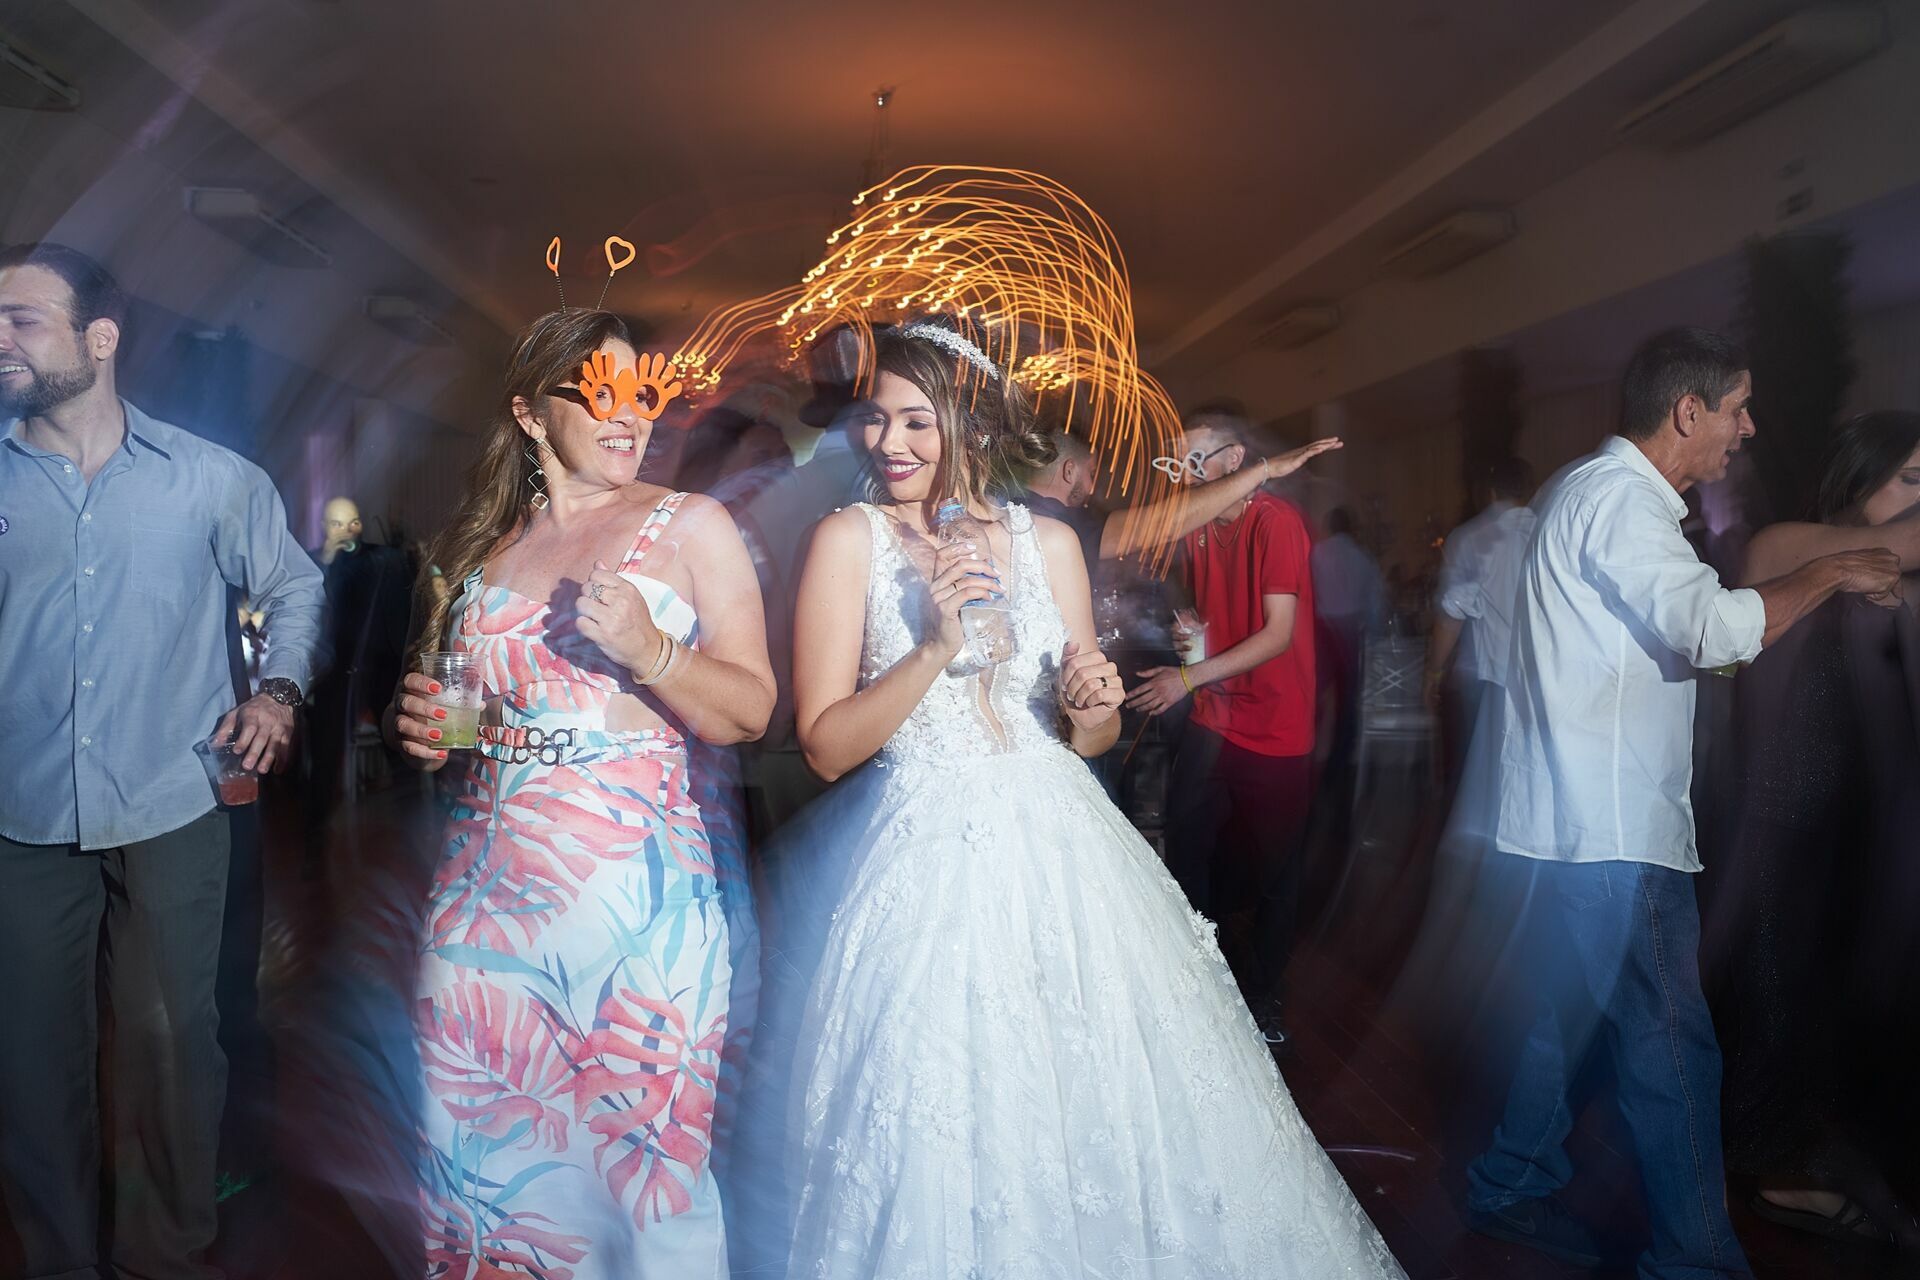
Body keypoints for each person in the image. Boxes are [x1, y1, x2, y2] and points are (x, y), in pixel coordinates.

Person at [768, 320, 1404, 1278]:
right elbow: (823, 746)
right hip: (922, 860)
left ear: (971, 424)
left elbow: (1090, 733)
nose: (888, 444)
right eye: (874, 420)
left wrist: (1093, 702)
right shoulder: (845, 541)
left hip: (1064, 843)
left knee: (1100, 1095)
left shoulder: (1049, 541)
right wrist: (936, 645)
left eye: (916, 421)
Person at [1465, 327, 1901, 1279]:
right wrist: (1828, 571)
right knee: (1673, 1051)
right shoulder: (1623, 503)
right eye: (1738, 408)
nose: (1748, 428)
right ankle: (1697, 1260)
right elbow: (1711, 630)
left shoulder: (1582, 490)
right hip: (1613, 832)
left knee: (1559, 1021)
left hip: (1560, 825)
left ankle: (1510, 1177)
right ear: (1688, 411)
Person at [385, 308, 774, 1278]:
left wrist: (652, 650)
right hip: (484, 908)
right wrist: (432, 732)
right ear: (528, 413)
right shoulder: (481, 547)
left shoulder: (691, 526)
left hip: (638, 911)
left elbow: (751, 709)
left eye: (643, 391)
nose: (627, 410)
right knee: (483, 1158)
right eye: (597, 389)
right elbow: (470, 729)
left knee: (646, 1174)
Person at [0, 242, 325, 1280]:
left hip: (172, 801)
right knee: (27, 1059)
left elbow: (297, 585)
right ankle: (59, 1259)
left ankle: (164, 1254)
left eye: (22, 320)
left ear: (101, 338)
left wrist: (278, 690)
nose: (0, 340)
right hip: (19, 812)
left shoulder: (208, 478)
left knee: (172, 1047)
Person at [1707, 411, 1920, 1252]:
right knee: (1781, 1004)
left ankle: (1826, 1162)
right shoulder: (1783, 544)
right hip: (1782, 833)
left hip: (1869, 836)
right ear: (1858, 481)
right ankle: (1781, 1177)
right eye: (1910, 480)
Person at [1125, 410, 1320, 1046]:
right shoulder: (1196, 528)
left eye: (1194, 459)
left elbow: (1278, 635)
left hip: (1275, 724)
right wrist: (1192, 634)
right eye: (1176, 461)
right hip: (1216, 713)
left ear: (1234, 462)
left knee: (1273, 872)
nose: (1182, 474)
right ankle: (1196, 982)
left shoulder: (1276, 522)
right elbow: (1210, 613)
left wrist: (1186, 677)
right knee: (1184, 847)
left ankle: (1264, 997)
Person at [1023, 426, 1340, 568]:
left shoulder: (1007, 508)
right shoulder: (1066, 527)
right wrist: (1266, 469)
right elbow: (1165, 522)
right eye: (1090, 474)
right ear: (1069, 472)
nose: (1093, 487)